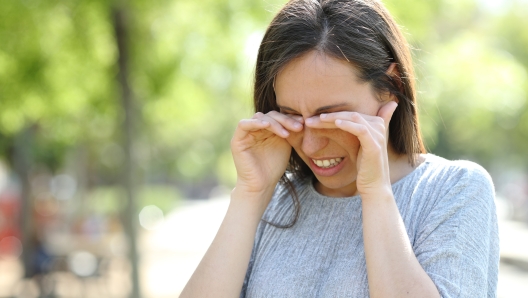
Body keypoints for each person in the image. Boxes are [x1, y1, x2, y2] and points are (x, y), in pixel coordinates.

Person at [181, 0, 499, 297]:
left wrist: (376, 192)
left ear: (392, 88)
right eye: (292, 115)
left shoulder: (456, 190)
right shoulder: (276, 202)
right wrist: (251, 194)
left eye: (330, 116)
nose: (310, 143)